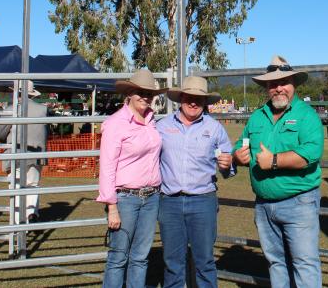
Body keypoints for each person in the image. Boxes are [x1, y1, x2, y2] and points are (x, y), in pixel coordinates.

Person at [233, 55, 324, 288]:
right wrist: (238, 155)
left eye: (284, 82)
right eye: (273, 84)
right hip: (264, 205)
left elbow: (310, 154)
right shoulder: (257, 117)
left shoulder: (306, 115)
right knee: (276, 263)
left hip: (299, 203)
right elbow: (241, 144)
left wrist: (273, 160)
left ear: (294, 84)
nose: (278, 88)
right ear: (266, 87)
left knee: (304, 264)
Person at [157, 76, 234, 288]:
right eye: (189, 97)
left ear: (205, 102)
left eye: (198, 99)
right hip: (169, 202)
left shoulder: (215, 128)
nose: (193, 102)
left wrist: (228, 165)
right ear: (181, 98)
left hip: (203, 202)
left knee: (205, 263)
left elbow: (228, 167)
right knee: (172, 264)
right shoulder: (161, 127)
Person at [97, 68, 164, 288]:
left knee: (140, 257)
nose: (146, 97)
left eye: (150, 93)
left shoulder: (152, 121)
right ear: (130, 94)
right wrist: (111, 206)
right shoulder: (116, 124)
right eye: (141, 92)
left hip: (151, 196)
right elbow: (107, 166)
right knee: (118, 256)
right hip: (125, 198)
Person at [0, 83, 48, 223]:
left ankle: (19, 219)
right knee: (33, 183)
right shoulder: (42, 110)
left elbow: (0, 134)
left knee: (16, 185)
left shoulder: (12, 109)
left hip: (15, 152)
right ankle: (31, 212)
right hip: (36, 153)